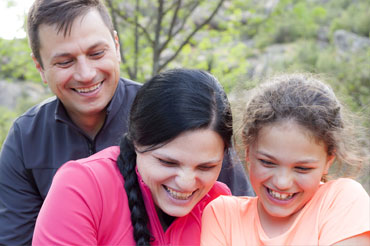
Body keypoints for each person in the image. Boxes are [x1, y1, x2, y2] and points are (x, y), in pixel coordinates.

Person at [0, 0, 252, 245]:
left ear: (116, 46)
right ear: (40, 67)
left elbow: (243, 218)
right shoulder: (26, 137)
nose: (86, 74)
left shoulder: (170, 113)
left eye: (97, 53)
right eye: (65, 61)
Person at [33, 68, 232, 245]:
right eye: (168, 162)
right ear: (136, 141)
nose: (186, 183)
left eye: (206, 167)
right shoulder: (83, 187)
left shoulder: (218, 204)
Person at [201, 74, 370, 245]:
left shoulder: (342, 200)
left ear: (328, 161)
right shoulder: (223, 215)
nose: (282, 182)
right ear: (247, 151)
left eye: (302, 168)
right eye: (268, 162)